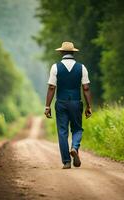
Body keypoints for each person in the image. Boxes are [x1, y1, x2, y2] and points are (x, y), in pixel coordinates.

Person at [44, 41, 92, 169]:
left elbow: (51, 87)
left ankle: (66, 161)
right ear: (73, 52)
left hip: (61, 103)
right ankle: (74, 147)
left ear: (61, 52)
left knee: (62, 132)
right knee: (77, 129)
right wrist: (89, 106)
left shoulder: (55, 67)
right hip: (76, 102)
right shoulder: (82, 67)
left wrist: (47, 106)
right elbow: (86, 88)